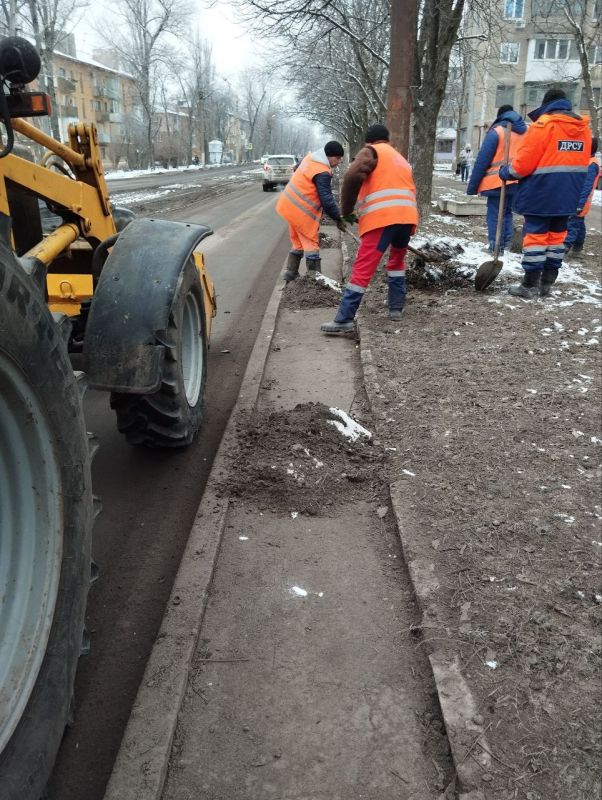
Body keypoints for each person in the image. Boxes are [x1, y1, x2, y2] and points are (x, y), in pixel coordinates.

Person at [320, 123, 418, 333]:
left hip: (383, 218)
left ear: (368, 140)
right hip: (407, 217)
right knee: (397, 261)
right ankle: (396, 309)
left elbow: (352, 176)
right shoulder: (399, 157)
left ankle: (344, 319)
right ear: (387, 139)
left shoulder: (371, 151)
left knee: (363, 268)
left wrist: (346, 211)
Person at [499, 88, 592, 298]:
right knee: (557, 238)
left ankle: (529, 285)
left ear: (547, 104)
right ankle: (547, 284)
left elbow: (524, 163)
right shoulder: (583, 129)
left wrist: (507, 172)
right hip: (569, 195)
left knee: (536, 238)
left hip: (541, 194)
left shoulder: (544, 125)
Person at [276, 141, 345, 281]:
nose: (340, 161)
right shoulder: (322, 171)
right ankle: (314, 280)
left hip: (288, 205)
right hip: (301, 211)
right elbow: (327, 199)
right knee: (311, 242)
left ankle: (291, 273)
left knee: (298, 242)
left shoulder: (310, 158)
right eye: (338, 158)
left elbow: (297, 169)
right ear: (330, 156)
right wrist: (338, 218)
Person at [467, 105, 527, 252]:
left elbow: (482, 161)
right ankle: (506, 241)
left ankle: (496, 246)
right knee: (507, 211)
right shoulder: (526, 132)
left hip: (497, 182)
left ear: (500, 116)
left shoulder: (497, 132)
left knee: (495, 214)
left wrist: (472, 187)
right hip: (518, 181)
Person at [564, 137, 600, 258]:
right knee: (579, 223)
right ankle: (578, 247)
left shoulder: (591, 164)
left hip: (581, 201)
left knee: (573, 224)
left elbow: (586, 187)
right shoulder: (588, 161)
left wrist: (579, 204)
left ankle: (565, 248)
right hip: (580, 200)